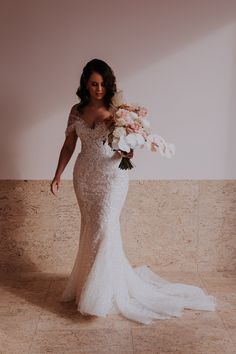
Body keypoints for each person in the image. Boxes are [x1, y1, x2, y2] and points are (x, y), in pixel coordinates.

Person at [50, 58, 217, 325]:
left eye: (104, 84)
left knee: (105, 227)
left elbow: (126, 147)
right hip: (84, 177)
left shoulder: (118, 112)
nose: (99, 89)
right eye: (94, 84)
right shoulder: (76, 111)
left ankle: (102, 295)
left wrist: (128, 149)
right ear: (85, 84)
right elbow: (69, 144)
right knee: (91, 228)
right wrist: (57, 174)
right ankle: (88, 287)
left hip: (111, 177)